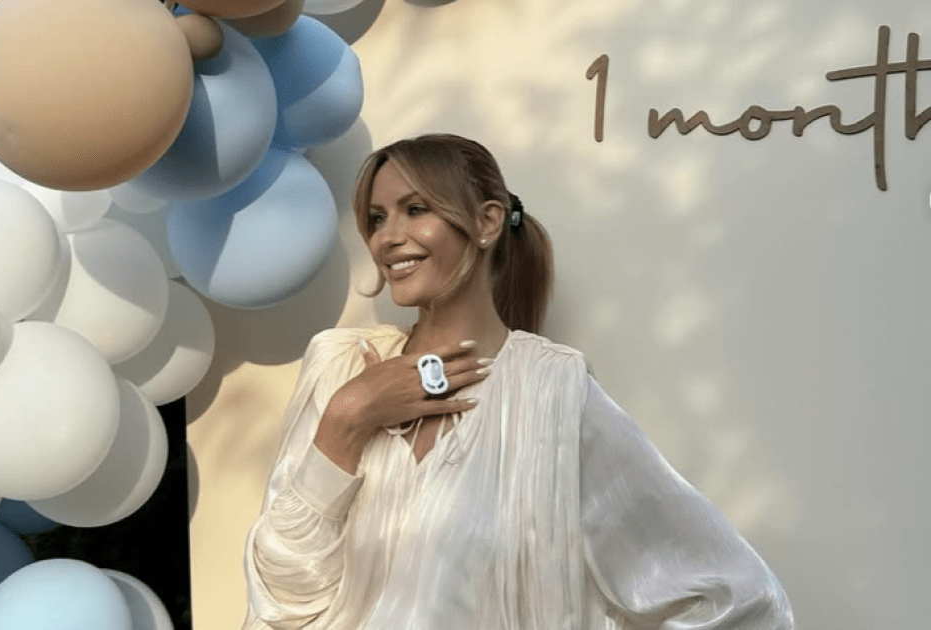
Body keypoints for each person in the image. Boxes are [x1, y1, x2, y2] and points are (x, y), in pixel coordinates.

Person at [241, 134, 793, 629]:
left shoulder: (553, 393)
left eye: (416, 209)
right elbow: (283, 596)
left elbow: (741, 598)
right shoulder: (341, 368)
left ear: (487, 222)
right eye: (377, 218)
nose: (389, 237)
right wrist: (348, 417)